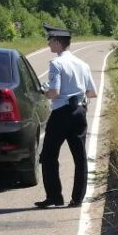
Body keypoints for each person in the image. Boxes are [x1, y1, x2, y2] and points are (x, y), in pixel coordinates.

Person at [38, 24, 97, 208]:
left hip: (61, 113)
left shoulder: (56, 64)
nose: (48, 44)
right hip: (79, 112)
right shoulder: (83, 64)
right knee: (80, 157)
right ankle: (77, 199)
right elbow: (92, 92)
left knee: (48, 155)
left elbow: (54, 93)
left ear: (58, 42)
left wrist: (44, 91)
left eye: (50, 40)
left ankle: (54, 196)